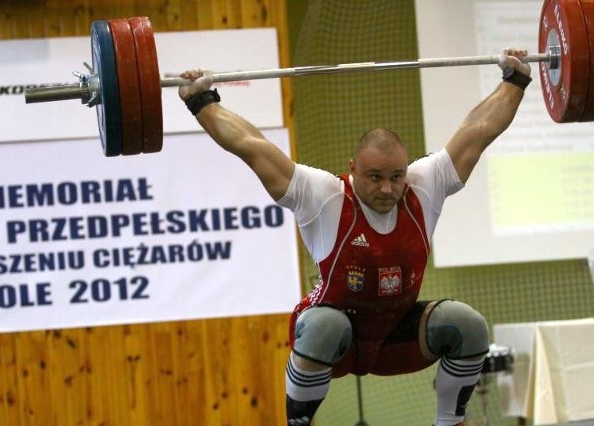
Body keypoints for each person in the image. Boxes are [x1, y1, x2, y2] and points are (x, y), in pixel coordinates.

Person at [178, 48, 532, 426]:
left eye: (396, 176)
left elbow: (479, 131)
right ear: (353, 169)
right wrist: (202, 101)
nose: (387, 189)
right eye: (374, 177)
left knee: (468, 325)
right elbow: (251, 146)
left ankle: (450, 423)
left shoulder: (425, 185)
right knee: (326, 326)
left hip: (398, 337)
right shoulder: (323, 195)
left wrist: (515, 81)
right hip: (334, 341)